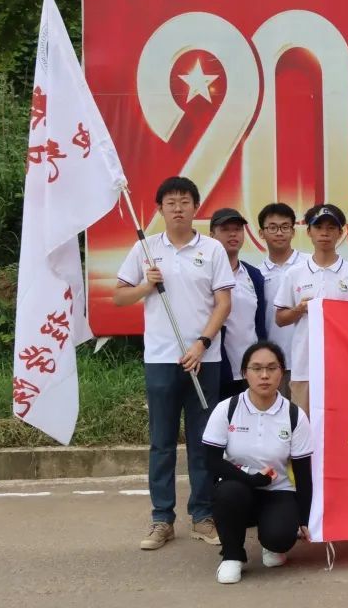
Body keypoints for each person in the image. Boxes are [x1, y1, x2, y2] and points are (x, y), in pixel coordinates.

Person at [113, 175, 233, 550]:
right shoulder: (145, 249)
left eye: (185, 202)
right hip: (161, 359)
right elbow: (119, 297)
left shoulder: (212, 249)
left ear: (196, 207)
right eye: (171, 203)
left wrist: (202, 343)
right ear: (160, 209)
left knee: (203, 442)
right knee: (162, 443)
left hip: (204, 360)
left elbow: (224, 303)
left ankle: (202, 515)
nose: (178, 208)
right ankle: (162, 519)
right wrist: (146, 286)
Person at [202, 341, 313, 584]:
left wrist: (305, 519)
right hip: (239, 487)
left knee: (280, 538)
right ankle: (233, 555)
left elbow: (304, 472)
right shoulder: (227, 409)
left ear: (281, 372)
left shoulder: (295, 415)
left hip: (278, 490)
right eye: (256, 368)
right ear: (245, 373)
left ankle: (271, 544)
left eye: (272, 368)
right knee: (228, 493)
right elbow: (210, 461)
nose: (264, 375)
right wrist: (250, 479)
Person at [274, 204, 348, 414]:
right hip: (305, 367)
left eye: (331, 228)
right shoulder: (295, 273)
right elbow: (280, 318)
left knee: (343, 422)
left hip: (344, 367)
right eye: (318, 227)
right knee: (303, 425)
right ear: (309, 232)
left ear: (341, 232)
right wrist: (299, 309)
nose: (325, 233)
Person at [210, 208, 267, 400]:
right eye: (225, 229)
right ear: (212, 235)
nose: (233, 234)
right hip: (217, 367)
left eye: (237, 229)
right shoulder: (204, 274)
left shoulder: (254, 275)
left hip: (251, 369)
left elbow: (259, 322)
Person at [256, 203, 309, 393]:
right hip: (273, 362)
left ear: (293, 232)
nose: (279, 233)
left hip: (308, 360)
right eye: (272, 227)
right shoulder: (257, 274)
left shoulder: (309, 264)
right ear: (261, 233)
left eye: (285, 227)